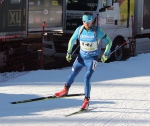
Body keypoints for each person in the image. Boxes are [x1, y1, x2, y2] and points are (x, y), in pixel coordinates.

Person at [54, 12, 112, 110]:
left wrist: (105, 54)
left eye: (88, 21)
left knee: (86, 78)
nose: (86, 23)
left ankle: (86, 100)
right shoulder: (79, 30)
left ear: (92, 21)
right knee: (72, 74)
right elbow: (71, 40)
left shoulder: (97, 31)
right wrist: (68, 52)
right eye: (84, 21)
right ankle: (65, 89)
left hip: (92, 59)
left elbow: (109, 42)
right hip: (81, 58)